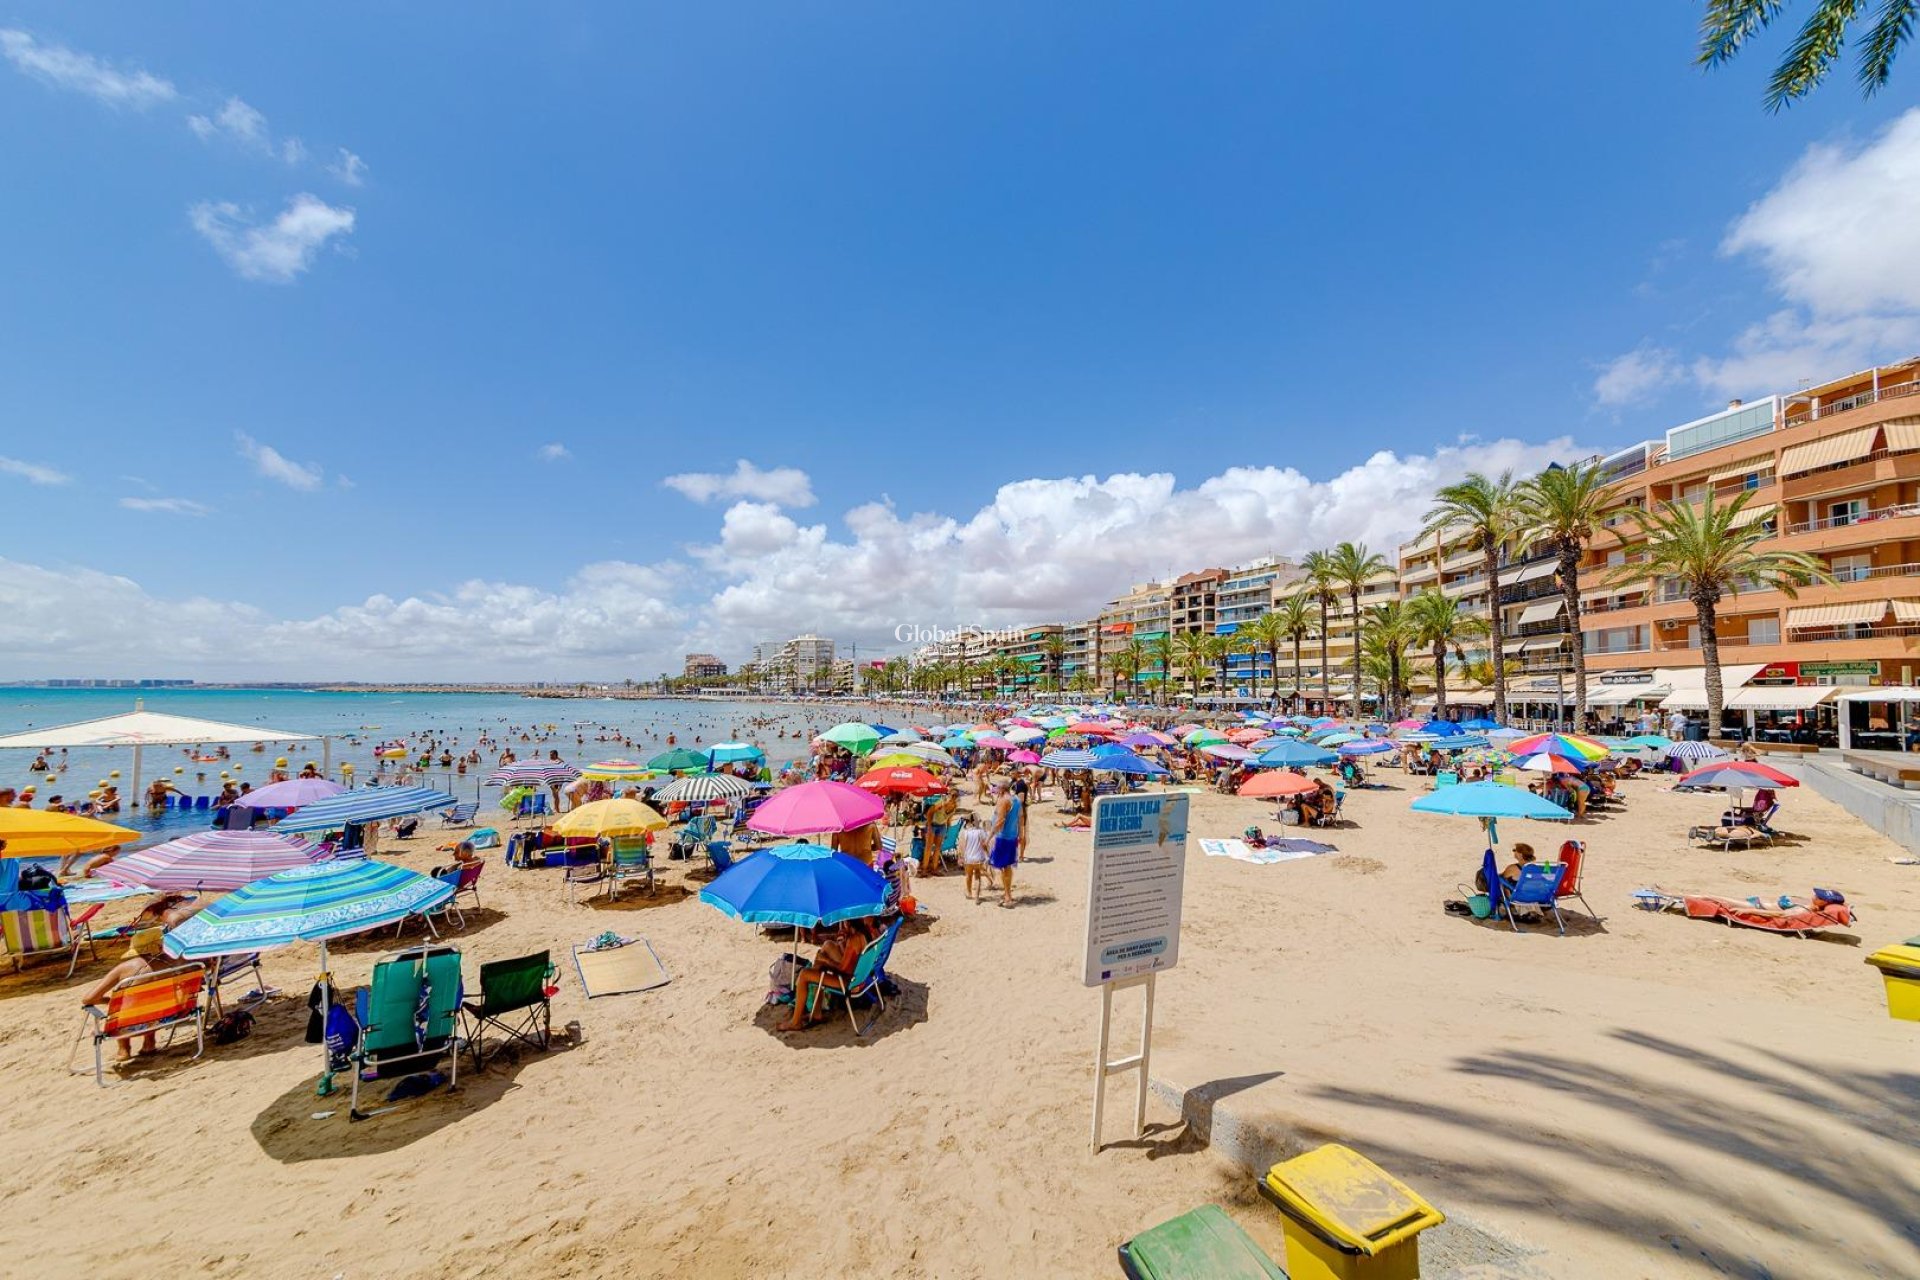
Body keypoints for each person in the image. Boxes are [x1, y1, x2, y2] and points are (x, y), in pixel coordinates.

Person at [78, 893, 209, 1064]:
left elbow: (88, 999)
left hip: (127, 1024)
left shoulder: (124, 969)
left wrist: (110, 1001)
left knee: (126, 1005)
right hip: (166, 1017)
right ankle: (149, 1043)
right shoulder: (175, 964)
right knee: (152, 999)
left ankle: (123, 1049)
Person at [778, 917, 876, 1032]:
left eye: (844, 922)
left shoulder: (854, 940)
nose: (843, 924)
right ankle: (816, 1012)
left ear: (848, 923)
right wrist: (841, 943)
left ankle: (796, 1022)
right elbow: (851, 959)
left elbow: (843, 969)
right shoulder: (863, 933)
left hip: (849, 983)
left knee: (804, 974)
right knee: (827, 947)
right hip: (859, 977)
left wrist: (826, 961)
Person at [987, 781, 1020, 907]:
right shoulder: (1016, 800)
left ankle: (1007, 897)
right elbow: (1019, 818)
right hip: (1012, 836)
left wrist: (989, 837)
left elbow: (1000, 821)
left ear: (1001, 790)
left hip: (1003, 837)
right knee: (1008, 867)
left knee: (1003, 868)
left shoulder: (1003, 801)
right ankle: (1008, 894)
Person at [956, 812, 990, 901]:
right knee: (978, 877)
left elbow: (961, 847)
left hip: (968, 859)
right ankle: (977, 897)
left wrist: (960, 857)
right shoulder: (980, 831)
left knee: (968, 876)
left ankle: (969, 893)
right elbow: (985, 844)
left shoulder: (964, 833)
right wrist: (988, 854)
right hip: (979, 858)